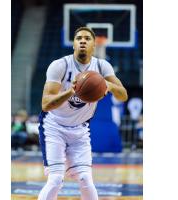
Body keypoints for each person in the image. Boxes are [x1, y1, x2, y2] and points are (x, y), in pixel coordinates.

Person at [38, 27, 128, 200]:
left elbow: (122, 95)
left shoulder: (102, 66)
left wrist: (107, 85)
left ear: (94, 45)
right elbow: (45, 104)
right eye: (79, 38)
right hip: (54, 126)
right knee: (56, 179)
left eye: (87, 38)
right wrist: (70, 92)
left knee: (86, 178)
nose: (83, 41)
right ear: (74, 44)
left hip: (80, 129)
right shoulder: (60, 66)